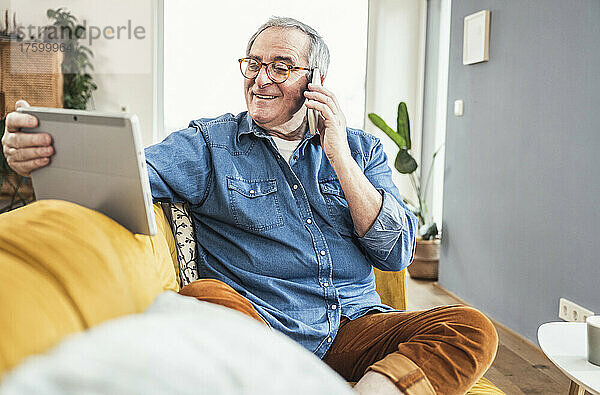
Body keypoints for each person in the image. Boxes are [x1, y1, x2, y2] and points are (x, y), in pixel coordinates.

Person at [2, 16, 498, 395]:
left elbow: (397, 253)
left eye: (280, 67)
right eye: (254, 64)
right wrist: (43, 154)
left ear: (316, 79)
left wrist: (340, 157)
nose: (261, 78)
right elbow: (124, 173)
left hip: (352, 326)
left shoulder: (361, 150)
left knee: (472, 328)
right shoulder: (209, 143)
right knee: (203, 297)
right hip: (260, 329)